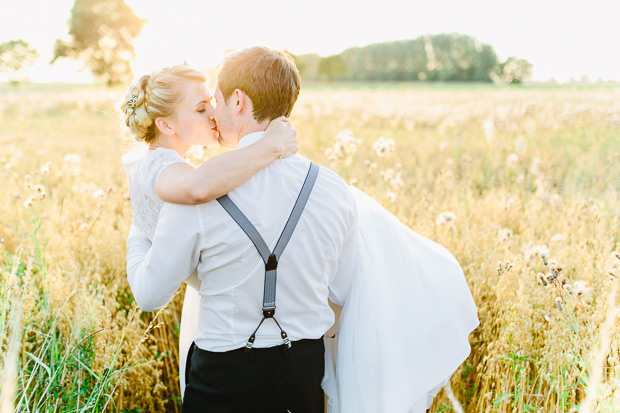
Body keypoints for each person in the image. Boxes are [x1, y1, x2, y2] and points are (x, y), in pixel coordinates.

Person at [126, 48, 479, 413]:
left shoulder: (198, 194)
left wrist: (139, 228)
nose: (212, 112)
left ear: (238, 100)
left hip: (221, 377)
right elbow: (343, 291)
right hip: (302, 375)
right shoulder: (332, 190)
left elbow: (150, 295)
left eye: (214, 100)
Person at [119, 64, 299, 395]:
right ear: (166, 124)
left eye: (211, 104)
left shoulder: (163, 162)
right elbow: (199, 187)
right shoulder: (165, 167)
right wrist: (272, 145)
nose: (213, 114)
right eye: (201, 109)